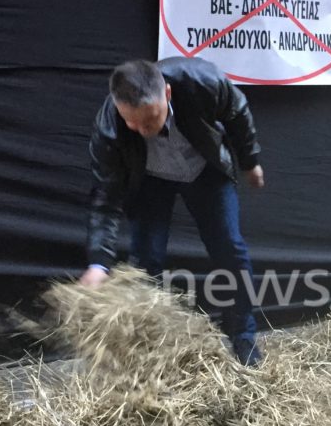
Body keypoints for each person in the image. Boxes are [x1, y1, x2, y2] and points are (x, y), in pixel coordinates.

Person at [80, 57, 264, 365]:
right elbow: (105, 196)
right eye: (131, 122)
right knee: (144, 261)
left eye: (149, 121)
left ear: (166, 94)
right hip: (150, 180)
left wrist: (250, 161)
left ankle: (243, 336)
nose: (139, 129)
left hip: (204, 169)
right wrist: (99, 262)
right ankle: (149, 350)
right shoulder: (109, 128)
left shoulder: (202, 82)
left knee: (230, 249)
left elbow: (237, 111)